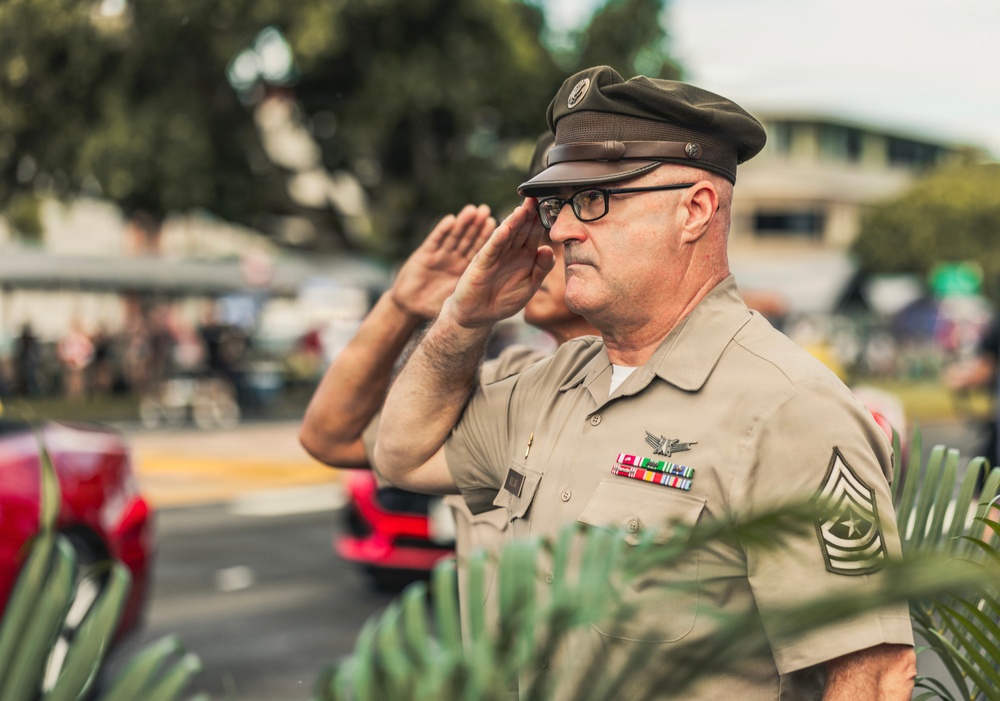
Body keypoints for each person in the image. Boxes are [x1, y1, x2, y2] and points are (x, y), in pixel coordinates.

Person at [375, 66, 915, 699]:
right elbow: (402, 455)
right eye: (560, 205)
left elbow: (873, 677)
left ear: (695, 209)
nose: (565, 229)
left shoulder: (788, 409)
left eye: (597, 200)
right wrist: (464, 320)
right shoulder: (556, 382)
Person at [299, 134, 599, 620]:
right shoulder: (510, 379)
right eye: (543, 217)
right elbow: (329, 437)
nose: (545, 241)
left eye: (581, 210)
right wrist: (402, 305)